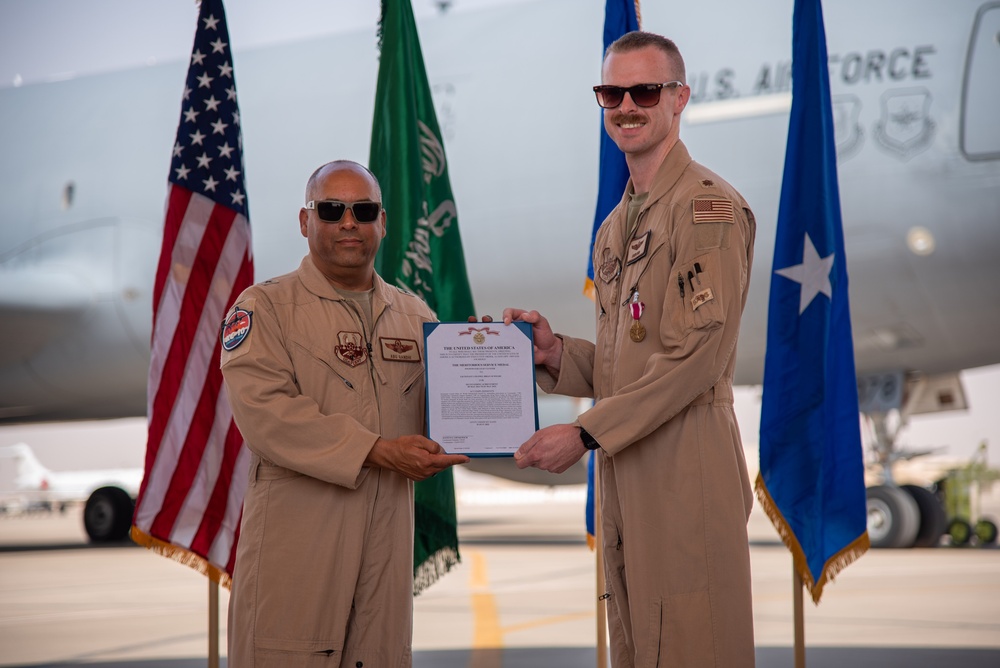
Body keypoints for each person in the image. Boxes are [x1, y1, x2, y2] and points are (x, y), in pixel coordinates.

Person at [503, 32, 756, 667]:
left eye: (645, 90)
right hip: (628, 470)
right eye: (611, 92)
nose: (627, 106)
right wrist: (554, 353)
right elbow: (630, 360)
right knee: (639, 646)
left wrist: (584, 434)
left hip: (684, 473)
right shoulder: (620, 224)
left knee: (693, 646)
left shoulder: (706, 209)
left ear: (679, 98)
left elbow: (694, 358)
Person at [220, 160, 469, 668]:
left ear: (384, 221)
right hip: (301, 551)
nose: (348, 223)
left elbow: (446, 414)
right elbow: (267, 417)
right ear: (305, 221)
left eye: (363, 210)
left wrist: (485, 357)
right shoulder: (264, 308)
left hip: (386, 554)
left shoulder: (416, 316)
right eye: (331, 210)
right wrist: (378, 450)